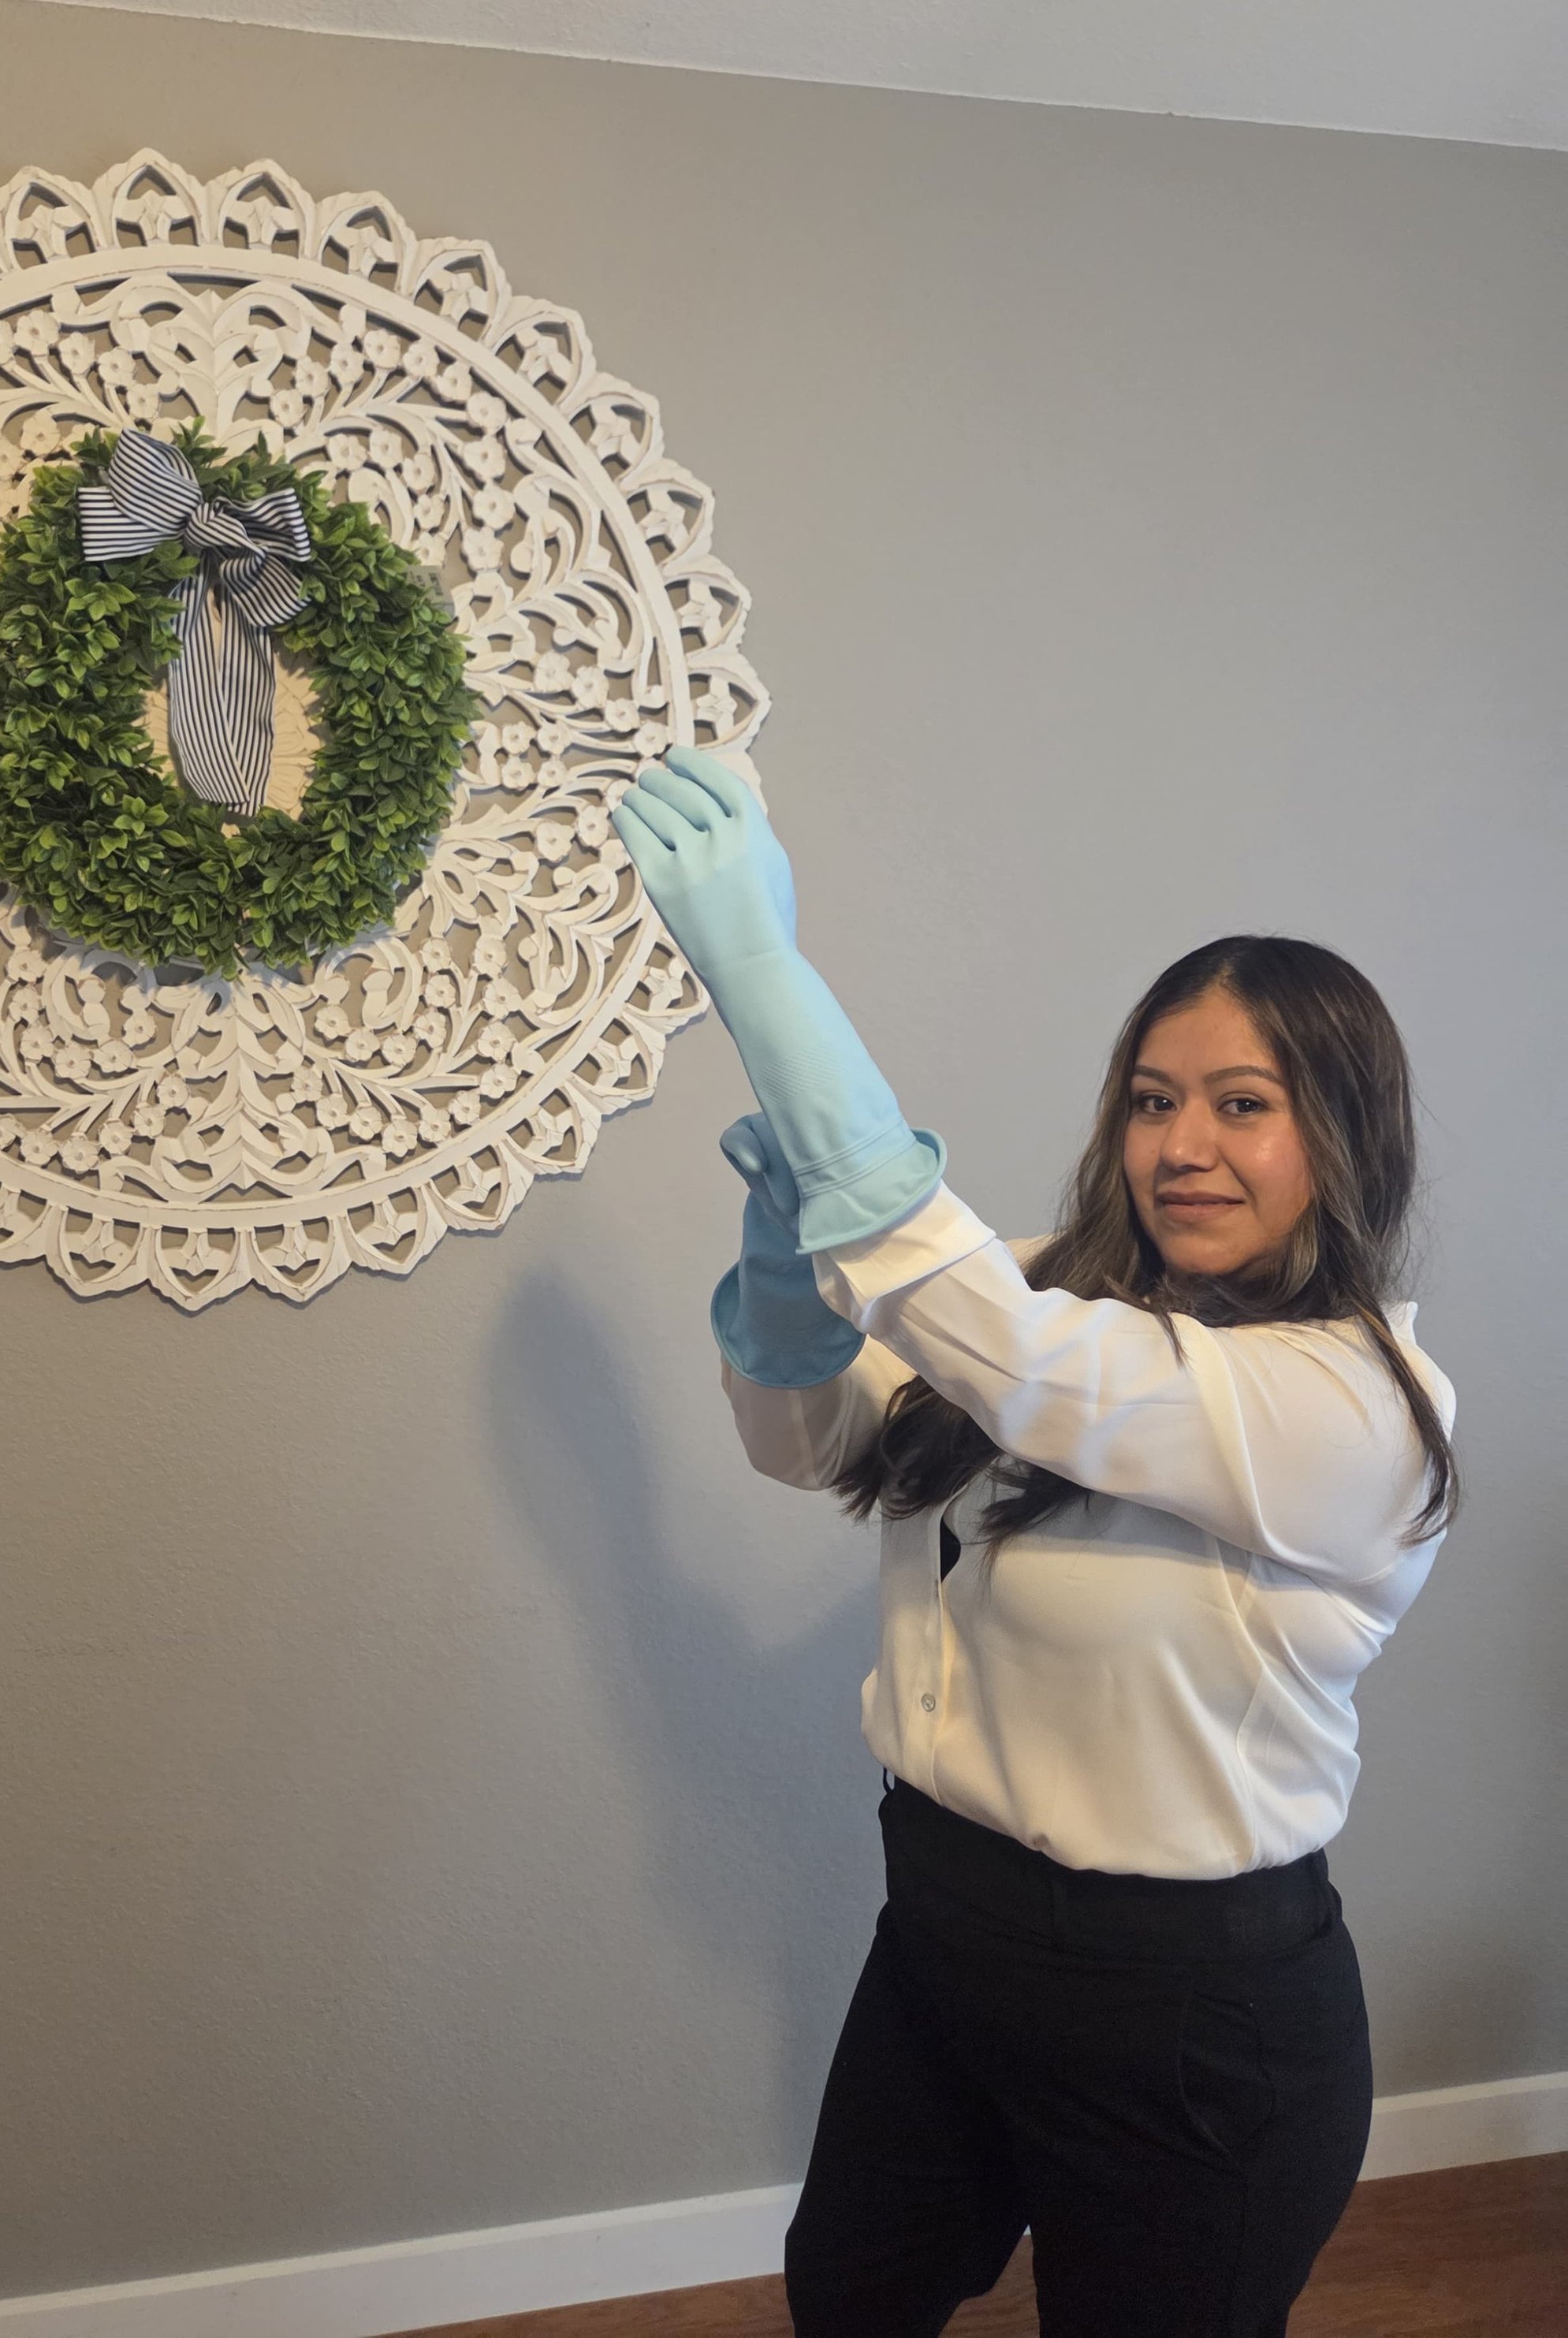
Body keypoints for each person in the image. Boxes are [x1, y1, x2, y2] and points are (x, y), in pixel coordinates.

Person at [611, 749, 1458, 2338]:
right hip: (941, 1927)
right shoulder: (1042, 1291)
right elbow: (809, 1444)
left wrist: (761, 974)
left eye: (1240, 1103)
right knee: (847, 2291)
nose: (1179, 1144)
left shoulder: (1349, 1402)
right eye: (1151, 1100)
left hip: (1188, 2014)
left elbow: (1001, 1352)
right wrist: (784, 1279)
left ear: (1339, 1134)